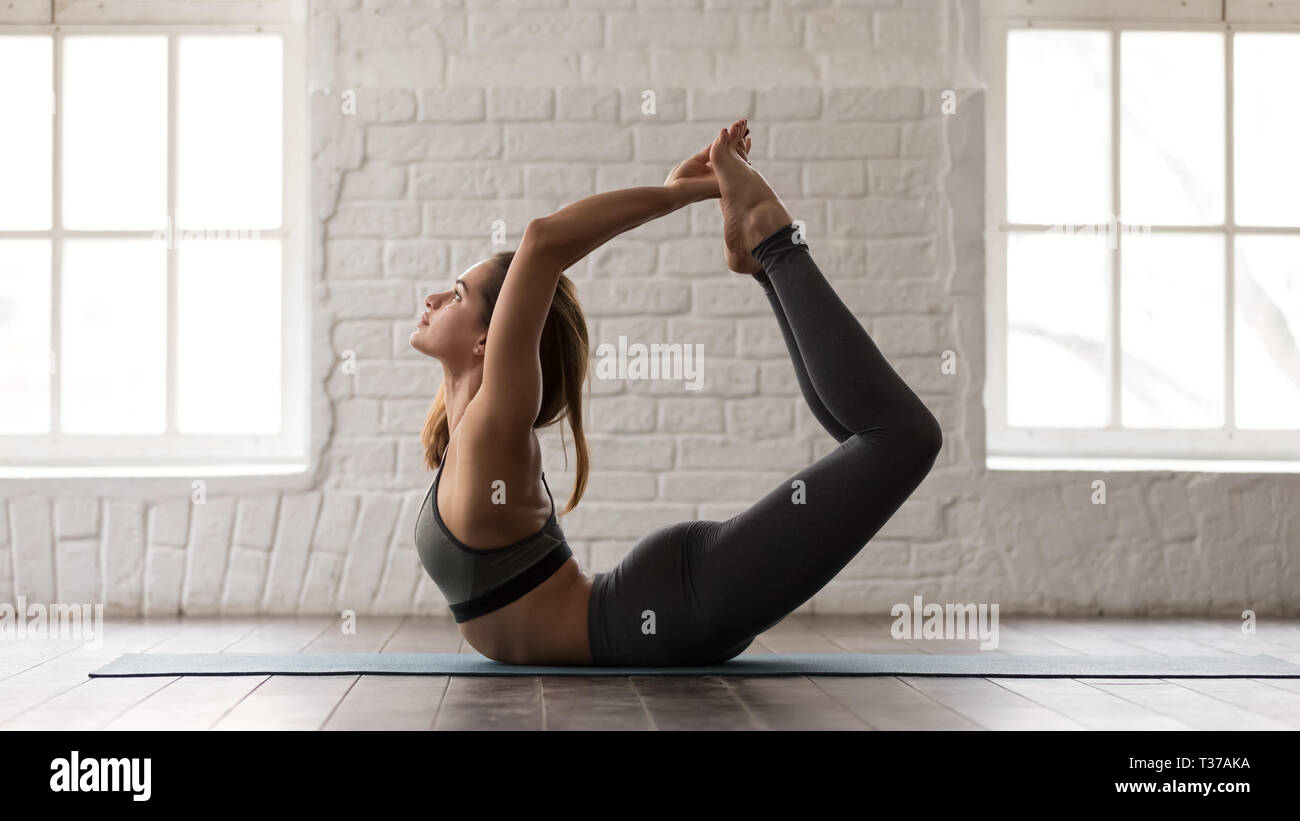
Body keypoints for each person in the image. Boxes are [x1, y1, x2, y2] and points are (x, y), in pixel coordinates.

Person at [409, 118, 942, 665]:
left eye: (454, 295)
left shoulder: (491, 424)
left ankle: (772, 242)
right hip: (666, 606)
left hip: (673, 606)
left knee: (903, 438)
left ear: (486, 340)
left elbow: (541, 242)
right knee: (884, 440)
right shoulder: (466, 430)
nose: (431, 298)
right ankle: (763, 256)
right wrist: (676, 190)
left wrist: (674, 195)